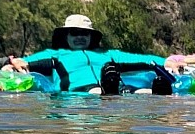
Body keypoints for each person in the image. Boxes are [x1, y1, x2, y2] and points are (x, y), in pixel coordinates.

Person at [20, 14, 168, 93]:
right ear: (66, 36)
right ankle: (108, 92)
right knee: (96, 91)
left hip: (117, 89)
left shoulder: (108, 54)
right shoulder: (54, 55)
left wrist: (167, 62)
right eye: (74, 33)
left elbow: (145, 59)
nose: (80, 37)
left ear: (91, 37)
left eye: (84, 33)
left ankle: (159, 93)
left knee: (141, 92)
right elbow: (22, 63)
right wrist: (12, 64)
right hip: (79, 93)